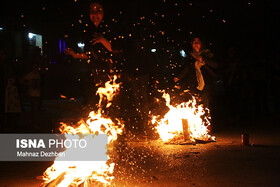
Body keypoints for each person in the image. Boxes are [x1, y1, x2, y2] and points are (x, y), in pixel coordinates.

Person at [65, 1, 120, 110]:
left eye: (98, 10)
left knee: (109, 106)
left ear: (104, 12)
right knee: (91, 106)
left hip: (111, 75)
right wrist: (76, 55)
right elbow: (90, 55)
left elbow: (117, 50)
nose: (95, 14)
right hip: (94, 74)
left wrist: (102, 40)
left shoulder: (112, 28)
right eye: (92, 11)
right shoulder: (89, 31)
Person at [174, 37, 217, 108]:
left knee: (209, 105)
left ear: (202, 43)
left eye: (198, 41)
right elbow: (188, 68)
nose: (196, 43)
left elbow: (215, 65)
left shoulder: (208, 53)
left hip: (209, 84)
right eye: (194, 42)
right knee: (200, 106)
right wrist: (179, 77)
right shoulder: (192, 56)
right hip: (198, 85)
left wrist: (203, 59)